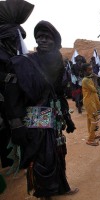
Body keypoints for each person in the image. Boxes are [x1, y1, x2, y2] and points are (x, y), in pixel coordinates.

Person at [5, 20, 78, 198]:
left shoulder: (58, 64)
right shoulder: (24, 63)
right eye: (39, 37)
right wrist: (16, 125)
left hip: (54, 117)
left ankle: (61, 187)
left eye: (47, 37)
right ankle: (46, 194)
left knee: (58, 153)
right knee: (44, 158)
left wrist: (67, 117)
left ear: (55, 40)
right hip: (36, 117)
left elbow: (60, 94)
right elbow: (12, 96)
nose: (42, 40)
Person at [0, 0, 34, 171]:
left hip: (20, 106)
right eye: (14, 38)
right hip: (7, 107)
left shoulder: (15, 54)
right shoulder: (3, 57)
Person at [82, 63, 100, 146]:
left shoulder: (89, 78)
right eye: (89, 69)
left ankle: (92, 135)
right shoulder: (86, 80)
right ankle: (90, 139)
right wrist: (95, 79)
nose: (91, 71)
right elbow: (95, 89)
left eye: (91, 69)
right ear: (84, 71)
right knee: (94, 120)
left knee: (90, 119)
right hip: (89, 102)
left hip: (92, 101)